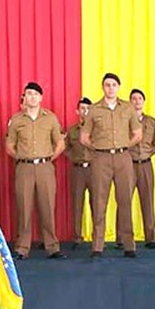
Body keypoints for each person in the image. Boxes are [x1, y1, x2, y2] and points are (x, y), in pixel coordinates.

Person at [80, 73, 142, 258]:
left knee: (125, 200)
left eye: (114, 84)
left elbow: (137, 134)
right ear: (102, 87)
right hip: (101, 159)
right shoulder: (94, 110)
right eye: (107, 85)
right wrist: (100, 148)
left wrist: (122, 146)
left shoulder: (128, 108)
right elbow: (84, 138)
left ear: (118, 87)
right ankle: (97, 246)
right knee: (99, 201)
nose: (111, 88)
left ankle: (128, 244)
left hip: (123, 157)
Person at [6, 82, 66, 260]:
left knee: (47, 206)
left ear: (41, 97)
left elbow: (60, 143)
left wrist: (47, 158)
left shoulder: (50, 118)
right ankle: (22, 247)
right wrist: (23, 157)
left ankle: (52, 246)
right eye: (28, 94)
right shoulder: (17, 120)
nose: (31, 97)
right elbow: (9, 146)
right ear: (24, 97)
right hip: (24, 167)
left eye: (35, 94)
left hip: (45, 167)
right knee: (24, 207)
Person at [115, 89, 155, 249]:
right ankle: (121, 237)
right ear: (129, 102)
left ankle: (151, 237)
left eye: (139, 98)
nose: (136, 101)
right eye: (133, 99)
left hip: (146, 165)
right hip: (127, 164)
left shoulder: (151, 122)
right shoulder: (123, 120)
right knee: (124, 200)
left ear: (144, 101)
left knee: (148, 200)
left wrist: (150, 152)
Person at [65, 97, 93, 249]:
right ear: (77, 111)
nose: (85, 111)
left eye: (88, 108)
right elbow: (66, 147)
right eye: (82, 108)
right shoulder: (72, 130)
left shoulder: (97, 129)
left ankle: (98, 236)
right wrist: (73, 158)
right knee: (77, 203)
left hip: (95, 169)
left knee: (97, 203)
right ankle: (77, 236)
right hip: (77, 169)